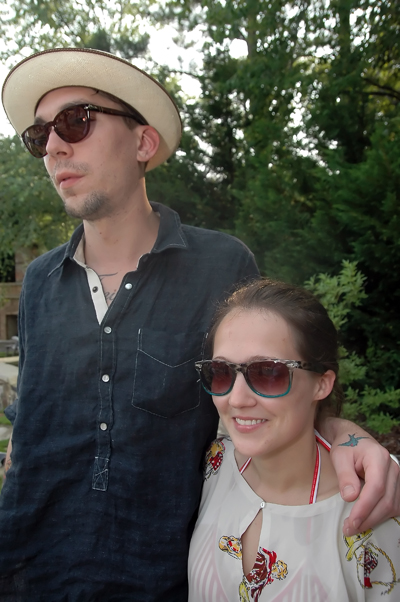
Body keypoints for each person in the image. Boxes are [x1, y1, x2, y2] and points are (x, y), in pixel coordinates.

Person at [0, 48, 398, 601]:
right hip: (31, 573)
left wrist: (347, 437)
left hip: (164, 580)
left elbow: (270, 383)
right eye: (39, 134)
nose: (53, 147)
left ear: (143, 143)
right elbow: (30, 430)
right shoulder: (41, 281)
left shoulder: (221, 266)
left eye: (75, 121)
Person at [189, 279, 400, 601]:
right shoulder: (212, 466)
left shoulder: (375, 510)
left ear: (321, 384)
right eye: (221, 372)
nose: (237, 398)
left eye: (268, 373)